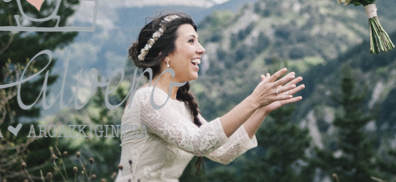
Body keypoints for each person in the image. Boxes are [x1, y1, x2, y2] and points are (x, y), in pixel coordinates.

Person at [115, 12, 304, 181]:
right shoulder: (148, 98)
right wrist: (253, 100)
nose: (202, 49)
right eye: (191, 41)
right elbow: (199, 143)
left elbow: (224, 152)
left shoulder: (181, 105)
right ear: (164, 54)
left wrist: (261, 109)